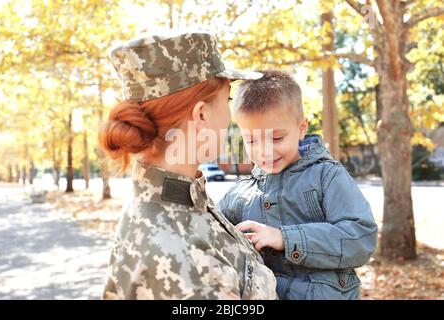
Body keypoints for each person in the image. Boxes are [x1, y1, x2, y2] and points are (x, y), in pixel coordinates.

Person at [99, 33, 277, 300]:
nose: (230, 117)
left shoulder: (182, 199)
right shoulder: (181, 256)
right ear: (202, 115)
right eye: (227, 101)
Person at [217, 70, 378, 300]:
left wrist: (285, 238)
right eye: (251, 140)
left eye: (277, 138)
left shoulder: (326, 176)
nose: (265, 151)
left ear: (302, 128)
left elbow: (361, 238)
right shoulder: (242, 193)